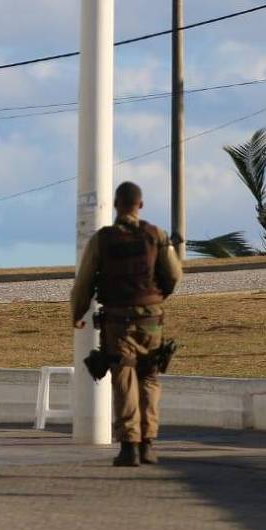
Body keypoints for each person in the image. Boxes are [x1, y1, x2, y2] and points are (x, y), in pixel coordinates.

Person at [70, 181, 182, 467]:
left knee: (125, 377)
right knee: (149, 377)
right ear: (140, 205)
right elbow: (173, 275)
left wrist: (77, 314)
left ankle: (129, 446)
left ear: (116, 205)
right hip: (152, 321)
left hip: (118, 322)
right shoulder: (156, 235)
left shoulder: (102, 239)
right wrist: (156, 298)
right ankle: (148, 444)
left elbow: (83, 284)